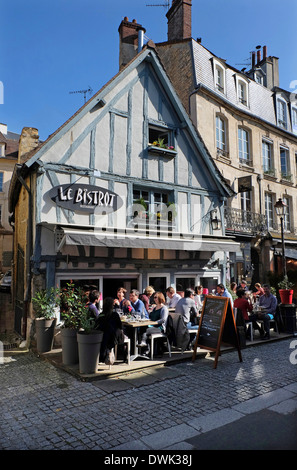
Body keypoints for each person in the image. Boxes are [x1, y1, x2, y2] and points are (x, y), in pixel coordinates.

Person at [95, 297, 126, 363]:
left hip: (103, 338)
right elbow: (120, 326)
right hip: (113, 338)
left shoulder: (101, 315)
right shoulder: (115, 315)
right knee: (123, 333)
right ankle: (124, 356)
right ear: (112, 305)